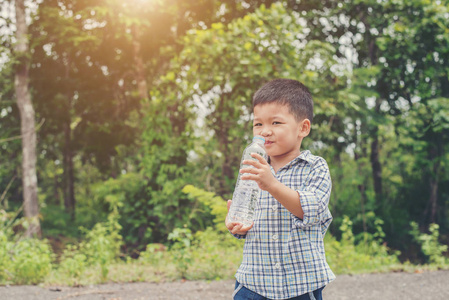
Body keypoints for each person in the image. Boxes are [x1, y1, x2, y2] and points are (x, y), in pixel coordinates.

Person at [226, 79, 335, 300]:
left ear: (303, 128)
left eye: (276, 123)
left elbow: (312, 211)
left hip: (301, 284)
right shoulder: (253, 165)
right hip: (254, 282)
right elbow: (249, 213)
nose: (265, 131)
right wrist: (239, 225)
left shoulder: (315, 167)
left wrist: (272, 184)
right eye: (258, 124)